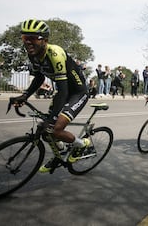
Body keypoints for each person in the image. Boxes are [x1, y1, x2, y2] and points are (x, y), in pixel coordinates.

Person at [11, 19, 90, 173]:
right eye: (25, 38)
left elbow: (63, 91)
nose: (28, 43)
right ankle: (61, 153)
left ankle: (82, 144)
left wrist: (53, 119)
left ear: (45, 40)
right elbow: (39, 77)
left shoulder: (55, 53)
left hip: (77, 93)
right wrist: (25, 95)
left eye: (32, 38)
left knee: (55, 128)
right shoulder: (32, 54)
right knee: (45, 131)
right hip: (64, 91)